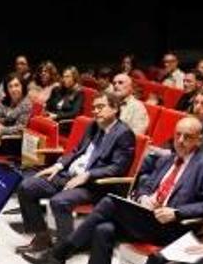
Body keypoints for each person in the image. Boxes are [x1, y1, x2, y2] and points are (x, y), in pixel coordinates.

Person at [23, 117, 203, 264]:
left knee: (110, 203)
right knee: (104, 230)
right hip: (149, 217)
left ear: (199, 139)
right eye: (177, 134)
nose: (180, 140)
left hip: (173, 227)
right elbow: (146, 183)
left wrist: (177, 213)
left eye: (187, 137)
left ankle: (61, 252)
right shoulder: (168, 158)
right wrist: (144, 197)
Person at [15, 92, 135, 253]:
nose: (96, 111)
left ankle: (62, 250)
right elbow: (77, 151)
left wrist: (88, 175)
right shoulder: (93, 126)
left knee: (59, 201)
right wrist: (58, 166)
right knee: (26, 186)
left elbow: (118, 168)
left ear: (114, 109)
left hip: (94, 186)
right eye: (94, 108)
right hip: (68, 176)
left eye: (101, 107)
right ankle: (42, 236)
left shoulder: (124, 134)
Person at [44, 65, 84, 133]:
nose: (64, 79)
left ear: (74, 78)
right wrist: (47, 111)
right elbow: (48, 104)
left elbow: (74, 113)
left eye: (67, 77)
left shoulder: (79, 93)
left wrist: (57, 116)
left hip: (64, 123)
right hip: (51, 118)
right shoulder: (58, 90)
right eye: (63, 76)